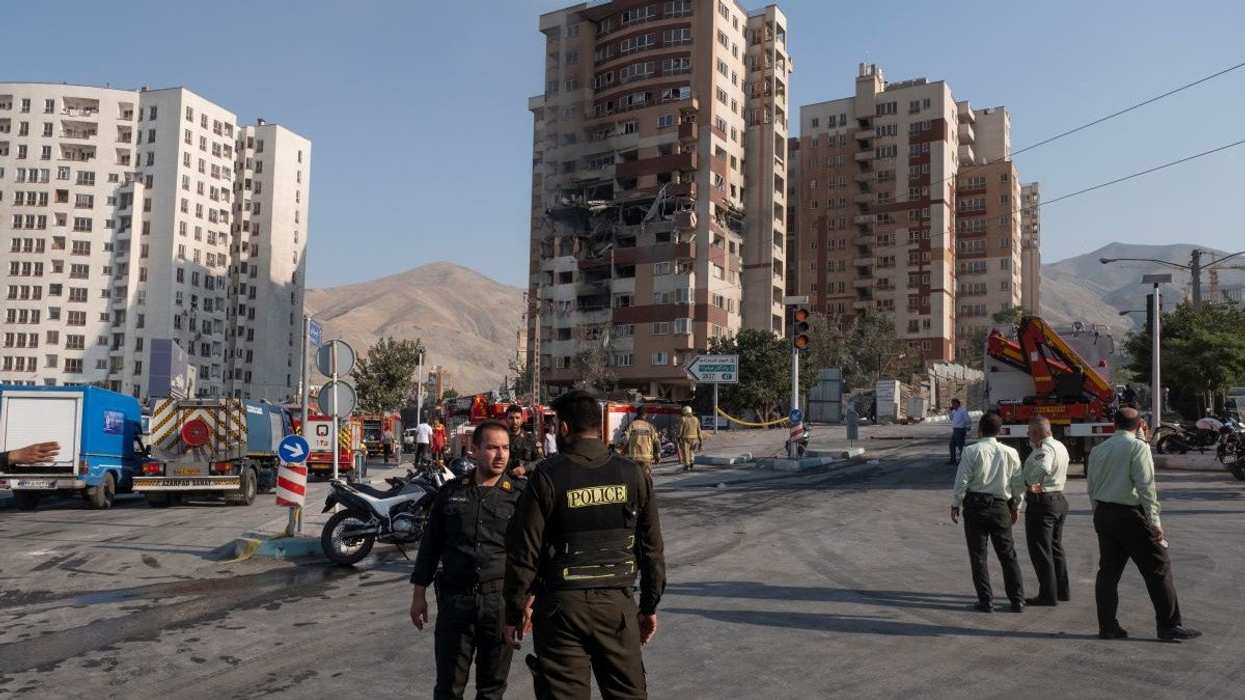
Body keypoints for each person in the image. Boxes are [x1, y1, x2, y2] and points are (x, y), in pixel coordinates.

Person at [503, 390, 666, 699]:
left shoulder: (547, 476)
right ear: (599, 426)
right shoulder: (632, 474)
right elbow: (652, 549)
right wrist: (648, 607)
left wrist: (514, 611)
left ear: (563, 428)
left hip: (560, 610)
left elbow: (524, 551)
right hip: (617, 608)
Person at [409, 419, 526, 699]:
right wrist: (418, 595)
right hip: (455, 602)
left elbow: (530, 554)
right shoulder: (451, 493)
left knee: (492, 689)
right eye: (492, 448)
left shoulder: (520, 497)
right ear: (473, 450)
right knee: (448, 687)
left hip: (499, 604)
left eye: (505, 448)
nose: (500, 455)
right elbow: (430, 546)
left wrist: (528, 601)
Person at [1087, 407, 1200, 642]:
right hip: (1130, 516)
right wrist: (1155, 521)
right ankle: (1168, 625)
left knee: (1108, 573)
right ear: (1140, 425)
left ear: (1114, 424)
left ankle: (1107, 626)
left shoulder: (1098, 449)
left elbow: (1092, 486)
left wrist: (1098, 512)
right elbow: (1146, 486)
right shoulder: (1138, 447)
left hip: (1104, 514)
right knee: (1158, 568)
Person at [950, 412, 1026, 613]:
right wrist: (1016, 507)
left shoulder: (971, 451)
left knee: (978, 556)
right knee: (1008, 555)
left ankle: (986, 601)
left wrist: (955, 504)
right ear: (999, 431)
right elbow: (1018, 484)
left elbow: (962, 481)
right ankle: (1017, 600)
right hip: (1001, 506)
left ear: (980, 429)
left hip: (976, 506)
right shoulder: (1010, 452)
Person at [1021, 417, 1071, 606]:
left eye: (1029, 431)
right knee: (1055, 548)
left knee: (1041, 550)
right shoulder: (1059, 445)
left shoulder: (1044, 450)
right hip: (1058, 500)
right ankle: (1061, 590)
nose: (1027, 435)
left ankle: (1047, 595)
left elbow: (1043, 467)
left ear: (1036, 433)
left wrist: (1032, 483)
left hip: (1042, 502)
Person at [622, 406, 661, 476]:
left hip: (634, 458)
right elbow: (656, 442)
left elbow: (625, 441)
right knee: (647, 478)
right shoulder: (650, 426)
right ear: (645, 414)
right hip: (646, 458)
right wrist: (657, 456)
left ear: (637, 414)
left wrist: (623, 454)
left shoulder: (631, 425)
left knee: (635, 478)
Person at [506, 405, 539, 479]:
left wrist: (525, 468)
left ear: (521, 419)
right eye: (511, 418)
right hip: (505, 481)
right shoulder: (500, 439)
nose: (514, 421)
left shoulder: (530, 439)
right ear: (506, 419)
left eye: (517, 418)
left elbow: (540, 460)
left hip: (526, 482)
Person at [676, 405, 702, 472]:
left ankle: (687, 465)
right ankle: (692, 461)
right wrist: (700, 440)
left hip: (686, 438)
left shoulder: (683, 419)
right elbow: (699, 430)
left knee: (685, 452)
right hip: (694, 438)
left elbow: (680, 430)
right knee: (692, 451)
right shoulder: (696, 419)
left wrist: (678, 437)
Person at [947, 399, 971, 465]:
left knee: (961, 446)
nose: (953, 405)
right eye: (952, 404)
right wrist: (949, 412)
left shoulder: (963, 410)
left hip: (960, 430)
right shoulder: (954, 411)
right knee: (951, 445)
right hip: (955, 430)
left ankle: (963, 461)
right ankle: (953, 460)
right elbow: (951, 419)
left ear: (958, 404)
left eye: (954, 403)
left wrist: (968, 426)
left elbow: (968, 419)